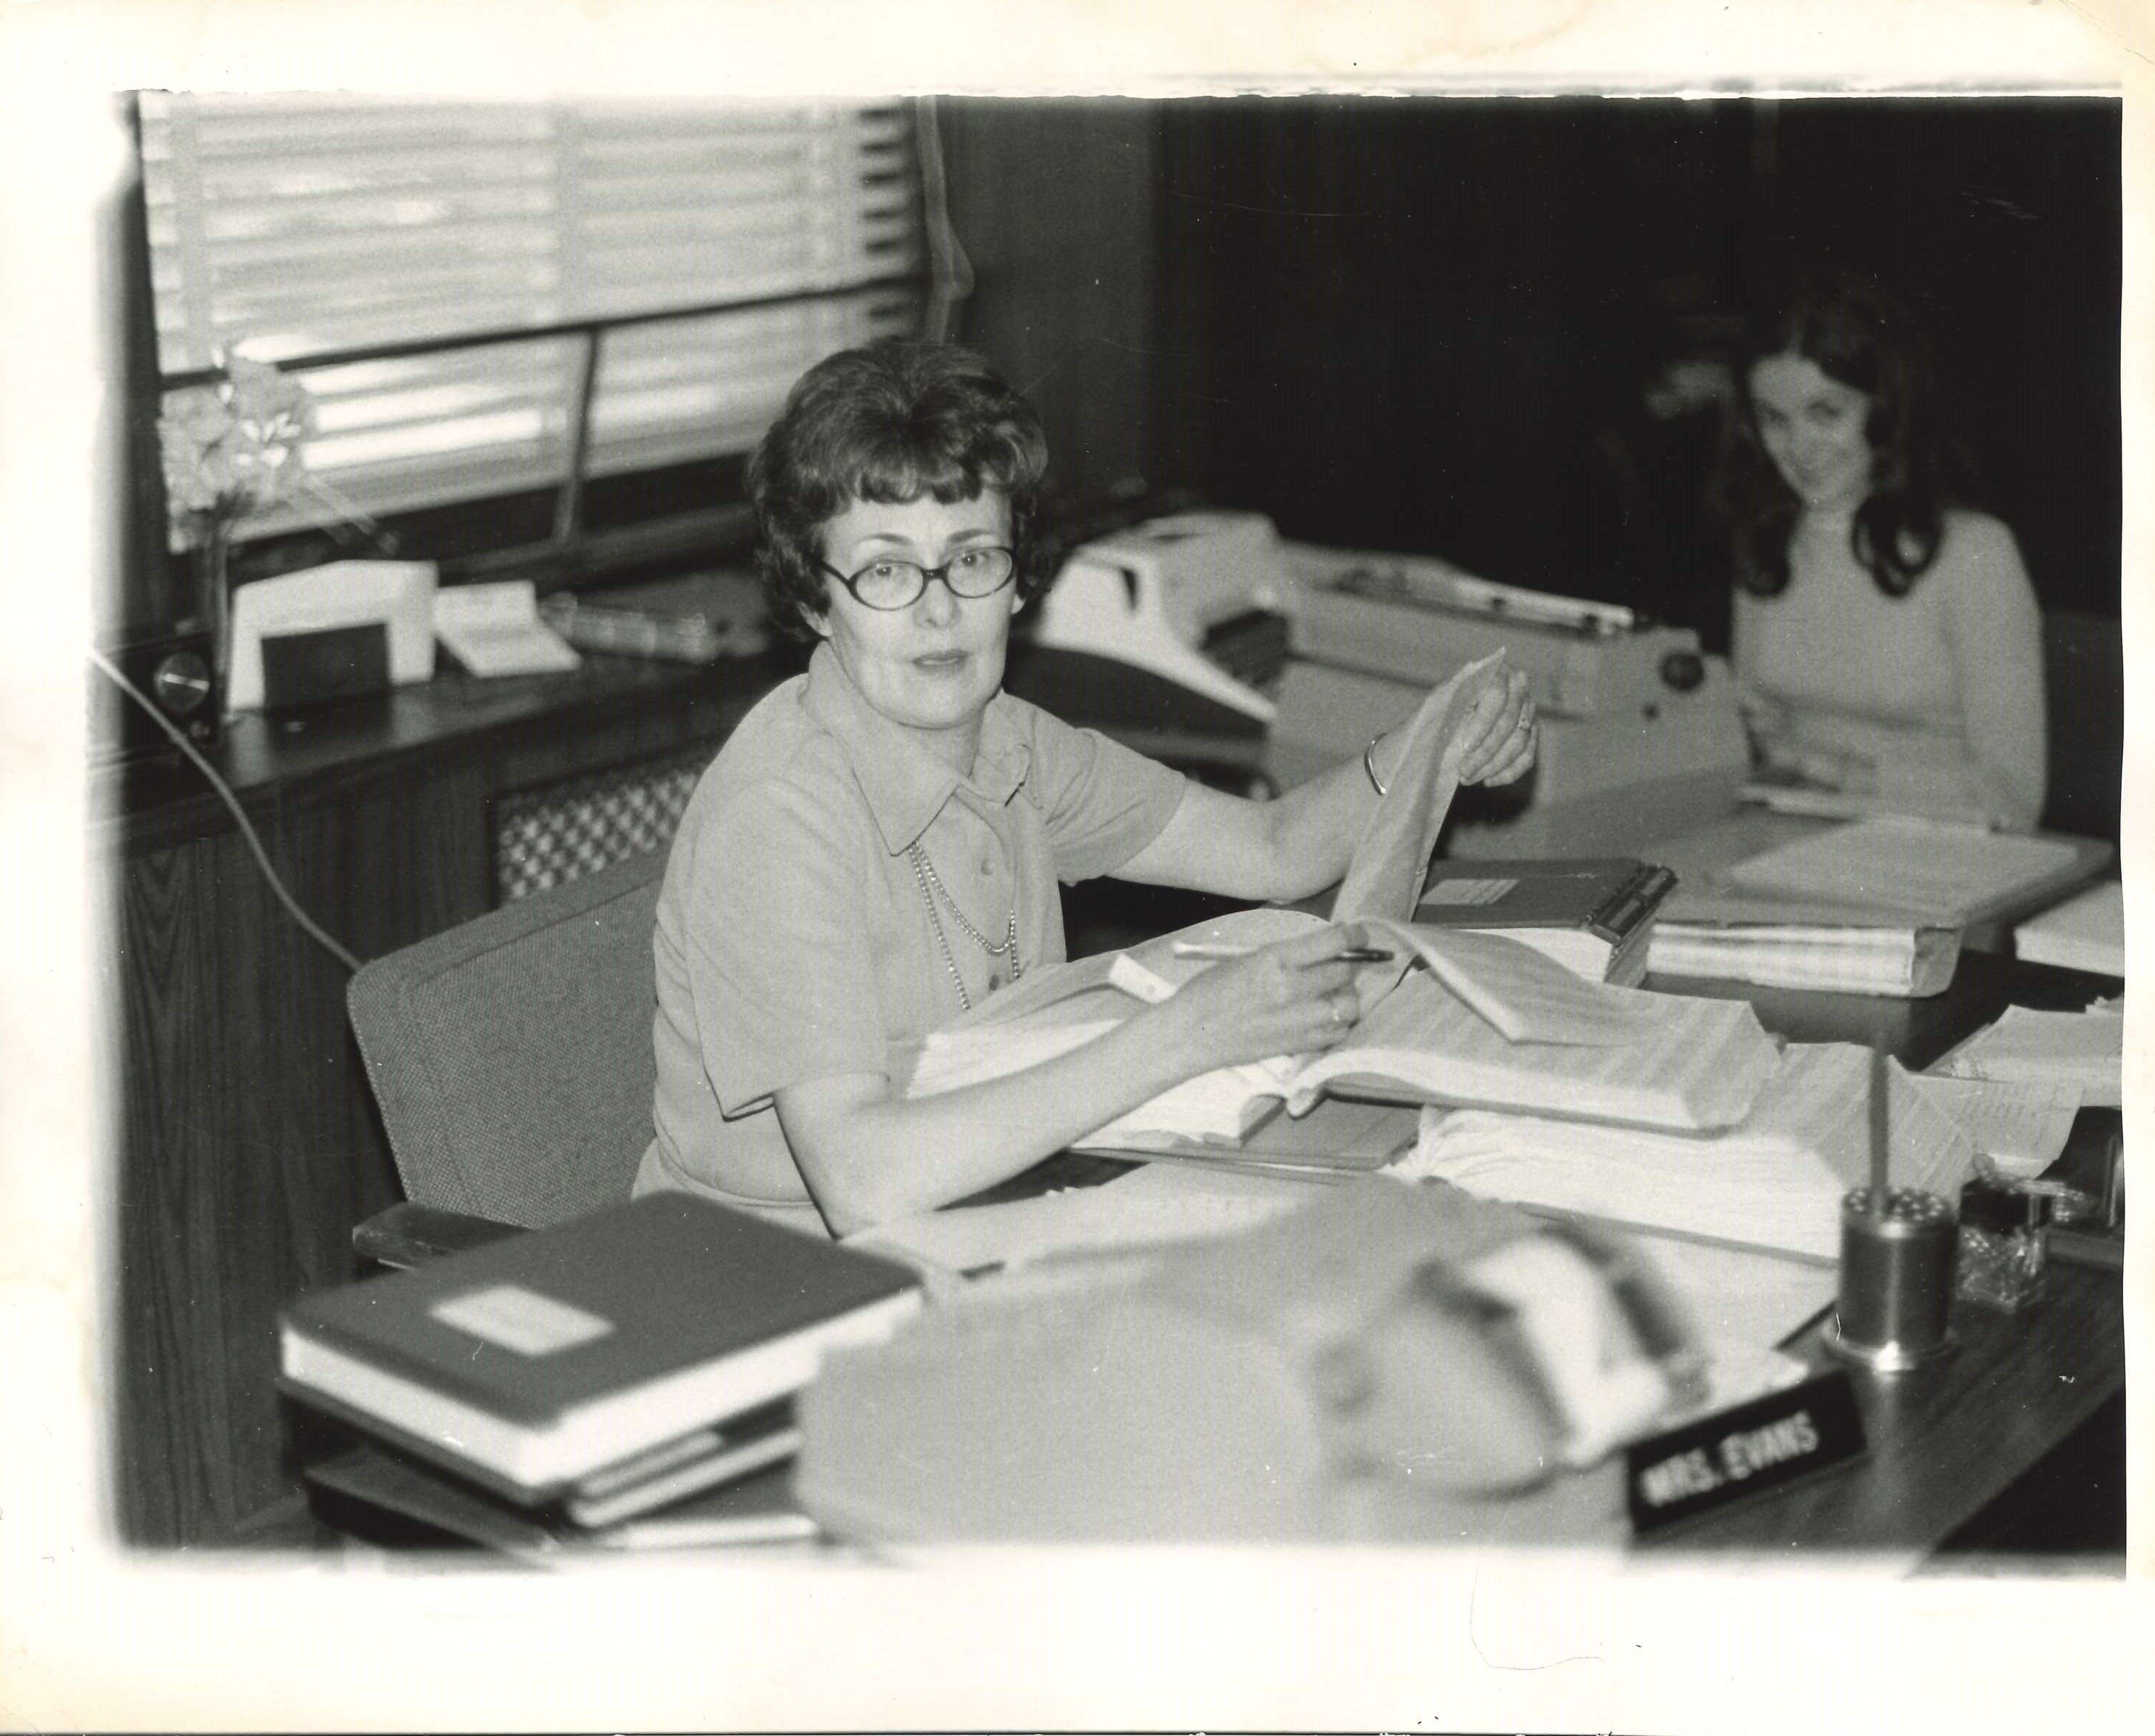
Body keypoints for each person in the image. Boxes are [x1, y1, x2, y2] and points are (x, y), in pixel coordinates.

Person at [637, 339, 1537, 1237]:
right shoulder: (778, 816)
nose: (939, 608)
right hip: (775, 1269)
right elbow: (859, 1180)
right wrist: (1187, 1034)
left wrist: (1429, 742)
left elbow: (1275, 850)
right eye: (885, 571)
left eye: (974, 557)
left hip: (989, 1208)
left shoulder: (1009, 742)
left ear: (1018, 579)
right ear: (811, 599)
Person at [1715, 268, 2046, 830]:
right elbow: (1754, 748)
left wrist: (1837, 772)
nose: (1798, 449)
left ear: (1886, 407)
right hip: (1792, 843)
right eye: (1774, 420)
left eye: (1826, 413)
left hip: (1939, 862)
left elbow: (2014, 802)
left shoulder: (1977, 554)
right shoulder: (1767, 544)